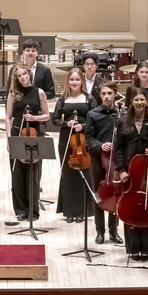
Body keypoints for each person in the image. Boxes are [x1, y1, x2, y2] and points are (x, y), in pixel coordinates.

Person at [115, 87, 148, 260]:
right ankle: (133, 248)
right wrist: (121, 171)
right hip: (130, 173)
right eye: (136, 100)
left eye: (142, 99)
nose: (139, 103)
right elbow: (118, 149)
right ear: (131, 102)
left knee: (147, 207)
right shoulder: (123, 122)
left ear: (146, 101)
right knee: (130, 208)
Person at [6, 65, 50, 222]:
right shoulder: (13, 94)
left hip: (34, 134)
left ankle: (33, 211)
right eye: (19, 76)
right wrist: (9, 139)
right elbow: (8, 118)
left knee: (33, 174)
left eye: (24, 74)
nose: (22, 77)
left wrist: (34, 118)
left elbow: (47, 115)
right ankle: (20, 210)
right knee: (17, 174)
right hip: (17, 134)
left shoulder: (39, 92)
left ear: (29, 74)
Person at [51, 67, 96, 223]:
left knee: (84, 172)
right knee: (67, 173)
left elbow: (96, 119)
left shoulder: (89, 98)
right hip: (66, 139)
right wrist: (66, 123)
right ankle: (69, 211)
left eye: (77, 79)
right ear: (68, 81)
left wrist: (82, 126)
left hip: (84, 140)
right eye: (72, 79)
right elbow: (55, 120)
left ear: (82, 81)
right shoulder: (63, 99)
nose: (74, 82)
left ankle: (83, 211)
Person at [84, 80, 123, 245]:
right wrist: (101, 145)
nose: (107, 97)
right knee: (97, 194)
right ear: (100, 95)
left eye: (109, 93)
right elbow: (88, 138)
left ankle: (114, 231)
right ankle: (100, 231)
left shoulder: (121, 114)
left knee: (116, 193)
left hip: (115, 160)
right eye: (104, 94)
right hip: (97, 158)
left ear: (115, 94)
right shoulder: (92, 114)